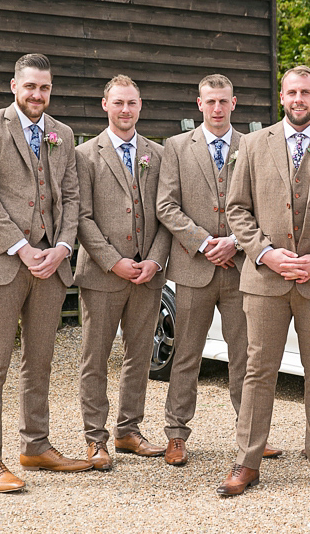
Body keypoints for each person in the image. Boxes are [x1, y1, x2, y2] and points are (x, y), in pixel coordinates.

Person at [216, 65, 310, 496]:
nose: (298, 99)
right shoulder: (253, 144)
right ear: (281, 97)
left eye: (306, 92)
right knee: (258, 371)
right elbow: (237, 208)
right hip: (265, 278)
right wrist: (265, 253)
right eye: (291, 92)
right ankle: (247, 462)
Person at [0, 53, 91, 493]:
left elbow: (71, 198)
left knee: (40, 361)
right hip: (2, 260)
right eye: (31, 86)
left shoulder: (63, 133)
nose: (38, 95)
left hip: (51, 266)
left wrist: (61, 248)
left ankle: (35, 445)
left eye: (45, 88)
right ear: (13, 86)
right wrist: (21, 247)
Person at [156, 74, 282, 465]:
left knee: (246, 355)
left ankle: (250, 436)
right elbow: (166, 205)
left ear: (234, 102)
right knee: (187, 354)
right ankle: (176, 434)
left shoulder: (254, 145)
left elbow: (265, 206)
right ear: (199, 104)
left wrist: (236, 242)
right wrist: (205, 243)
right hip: (195, 267)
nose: (217, 108)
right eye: (210, 101)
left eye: (224, 101)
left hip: (244, 268)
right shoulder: (176, 147)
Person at [74, 75, 172, 471]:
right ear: (105, 105)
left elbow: (168, 213)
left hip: (148, 273)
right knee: (95, 358)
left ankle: (129, 430)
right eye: (118, 103)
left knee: (139, 355)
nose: (125, 109)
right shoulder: (84, 154)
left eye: (131, 102)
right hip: (102, 274)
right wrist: (113, 260)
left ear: (140, 105)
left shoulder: (159, 154)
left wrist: (156, 260)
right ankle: (95, 439)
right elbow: (80, 216)